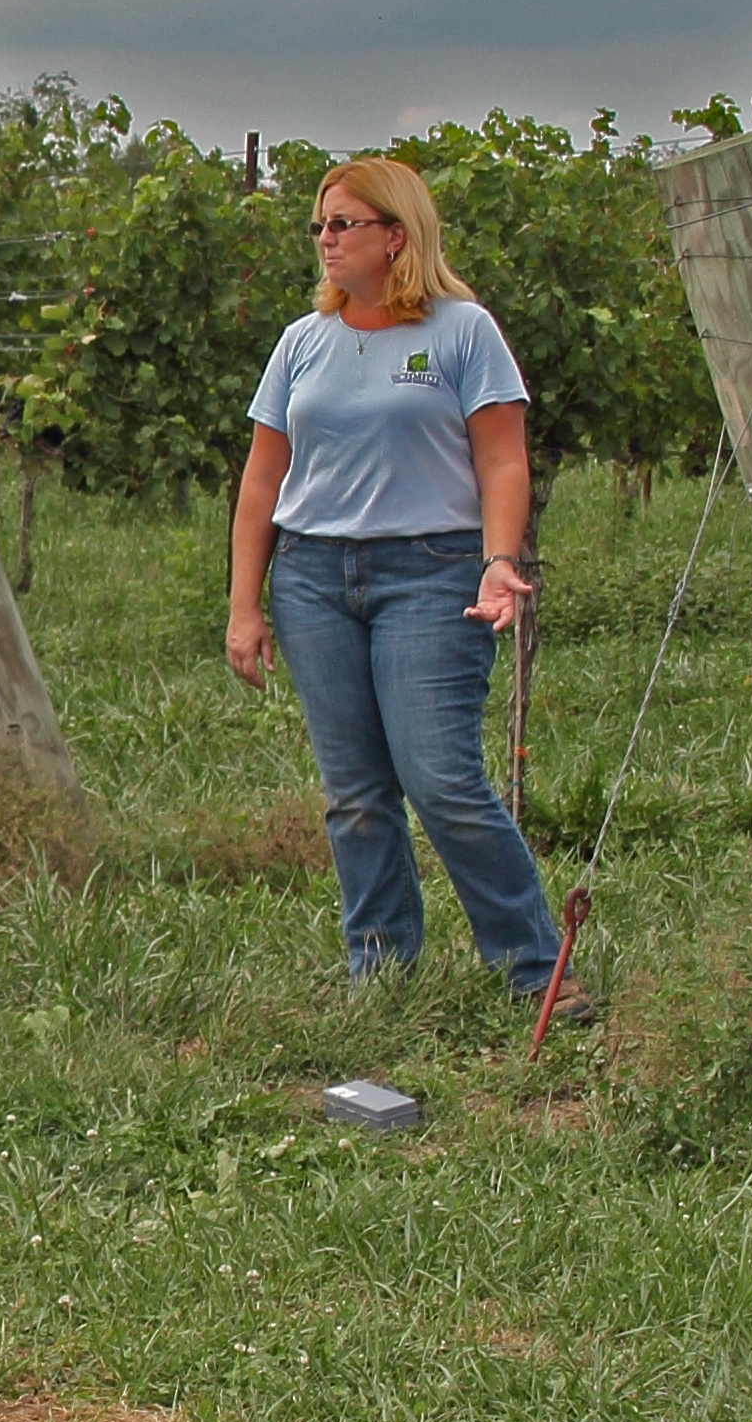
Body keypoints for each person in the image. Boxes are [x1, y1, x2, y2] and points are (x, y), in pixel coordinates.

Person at [226, 156, 591, 1020]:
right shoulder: (302, 341)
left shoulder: (463, 332)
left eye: (342, 223)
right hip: (314, 577)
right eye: (319, 225)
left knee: (442, 779)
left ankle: (534, 968)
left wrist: (498, 560)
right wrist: (245, 604)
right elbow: (261, 479)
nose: (324, 239)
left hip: (431, 571)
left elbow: (502, 460)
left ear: (397, 235)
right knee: (355, 794)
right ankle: (382, 971)